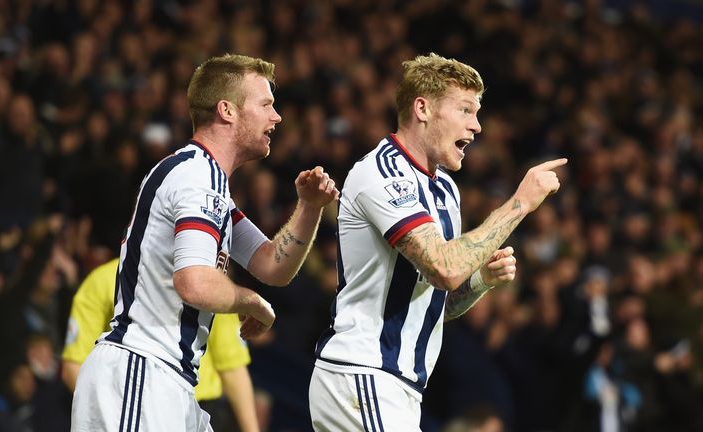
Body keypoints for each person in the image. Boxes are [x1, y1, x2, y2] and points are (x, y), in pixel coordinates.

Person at [71, 54, 339, 432]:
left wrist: (309, 208)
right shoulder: (198, 177)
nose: (276, 117)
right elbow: (195, 283)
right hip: (141, 374)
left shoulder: (207, 183)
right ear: (227, 110)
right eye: (266, 104)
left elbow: (271, 265)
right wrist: (254, 303)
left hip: (165, 381)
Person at [309, 53, 566, 431]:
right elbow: (444, 268)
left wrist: (481, 282)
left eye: (477, 113)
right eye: (465, 110)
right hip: (364, 374)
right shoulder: (381, 174)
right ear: (423, 108)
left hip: (398, 387)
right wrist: (520, 204)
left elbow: (432, 302)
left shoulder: (445, 189)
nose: (476, 126)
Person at [62, 259, 260, 432]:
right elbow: (73, 364)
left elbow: (233, 369)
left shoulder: (206, 284)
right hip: (130, 403)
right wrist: (110, 410)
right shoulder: (102, 281)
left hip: (201, 410)